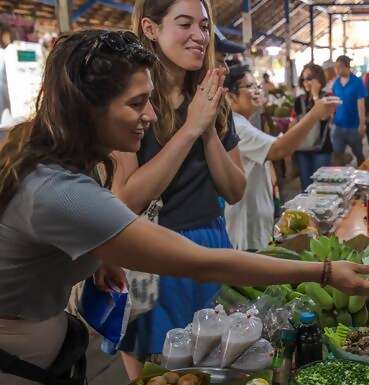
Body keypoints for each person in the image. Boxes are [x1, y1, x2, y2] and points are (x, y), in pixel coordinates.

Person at [0, 29, 369, 385]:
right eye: (136, 103)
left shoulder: (57, 157)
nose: (149, 115)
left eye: (150, 99)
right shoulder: (58, 191)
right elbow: (203, 262)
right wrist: (326, 272)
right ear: (86, 109)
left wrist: (100, 254)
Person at [112, 0, 244, 377]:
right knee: (164, 371)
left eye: (204, 26)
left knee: (217, 369)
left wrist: (206, 128)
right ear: (151, 29)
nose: (199, 36)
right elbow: (127, 199)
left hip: (213, 244)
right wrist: (189, 128)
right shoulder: (132, 102)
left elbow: (235, 190)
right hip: (155, 253)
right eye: (185, 24)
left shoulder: (211, 100)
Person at [223, 63, 337, 251]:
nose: (257, 91)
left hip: (257, 220)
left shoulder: (243, 123)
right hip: (246, 228)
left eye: (256, 86)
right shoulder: (237, 127)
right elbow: (278, 149)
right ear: (230, 95)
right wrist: (314, 114)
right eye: (250, 87)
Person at [293, 63, 334, 190]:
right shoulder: (299, 100)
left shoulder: (327, 97)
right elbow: (296, 123)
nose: (306, 82)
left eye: (310, 78)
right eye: (303, 79)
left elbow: (323, 116)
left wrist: (315, 95)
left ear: (319, 79)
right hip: (302, 149)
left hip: (321, 149)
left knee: (321, 187)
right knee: (306, 187)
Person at [331, 55, 367, 166]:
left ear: (347, 67)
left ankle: (362, 174)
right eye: (336, 67)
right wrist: (332, 118)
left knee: (359, 154)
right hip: (338, 126)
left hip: (353, 127)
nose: (337, 70)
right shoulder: (336, 83)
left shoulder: (357, 82)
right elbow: (334, 102)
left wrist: (362, 124)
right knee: (337, 156)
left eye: (340, 67)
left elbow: (361, 104)